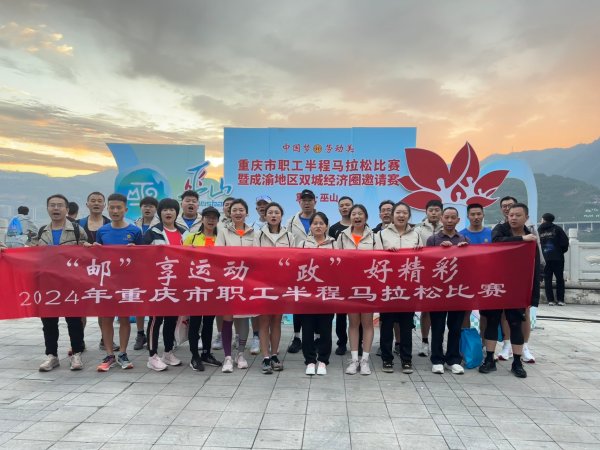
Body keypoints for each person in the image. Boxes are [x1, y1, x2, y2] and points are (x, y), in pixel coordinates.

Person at [480, 203, 541, 378]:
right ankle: (489, 359)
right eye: (511, 215)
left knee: (515, 324)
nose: (513, 218)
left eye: (517, 215)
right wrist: (522, 240)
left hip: (517, 288)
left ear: (526, 217)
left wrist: (533, 295)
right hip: (496, 284)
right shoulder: (500, 230)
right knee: (492, 321)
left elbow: (535, 267)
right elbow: (497, 242)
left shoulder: (532, 238)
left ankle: (517, 362)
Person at [34, 194, 86, 372]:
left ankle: (76, 353)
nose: (56, 208)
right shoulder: (42, 231)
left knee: (74, 320)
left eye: (59, 205)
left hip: (71, 283)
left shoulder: (77, 230)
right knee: (48, 321)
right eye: (52, 205)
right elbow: (30, 253)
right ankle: (52, 355)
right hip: (48, 283)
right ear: (47, 208)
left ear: (66, 209)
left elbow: (87, 254)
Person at [95, 193, 143, 372]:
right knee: (106, 319)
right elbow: (97, 258)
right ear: (107, 208)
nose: (115, 211)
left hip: (127, 282)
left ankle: (122, 353)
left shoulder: (135, 231)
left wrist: (136, 251)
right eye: (112, 207)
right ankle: (109, 355)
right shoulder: (102, 231)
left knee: (124, 319)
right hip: (107, 282)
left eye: (119, 208)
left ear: (125, 209)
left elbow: (143, 258)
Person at [375, 202, 422, 374]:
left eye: (404, 213)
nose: (401, 216)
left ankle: (406, 359)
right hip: (388, 285)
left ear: (409, 216)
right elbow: (375, 258)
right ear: (392, 215)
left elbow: (422, 260)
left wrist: (419, 251)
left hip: (408, 286)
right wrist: (386, 252)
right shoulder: (381, 235)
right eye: (398, 213)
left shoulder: (416, 234)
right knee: (387, 324)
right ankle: (387, 359)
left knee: (406, 325)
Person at [143, 198, 185, 371]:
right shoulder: (153, 232)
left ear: (176, 213)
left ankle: (168, 352)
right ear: (160, 213)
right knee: (156, 319)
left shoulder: (184, 232)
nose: (168, 213)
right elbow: (142, 256)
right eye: (165, 210)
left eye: (172, 210)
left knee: (171, 319)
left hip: (176, 283)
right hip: (157, 284)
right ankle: (152, 356)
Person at [426, 207, 469, 375]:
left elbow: (469, 264)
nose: (449, 221)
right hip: (438, 290)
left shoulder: (464, 239)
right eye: (447, 217)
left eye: (453, 218)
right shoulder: (433, 240)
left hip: (458, 290)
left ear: (458, 220)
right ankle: (437, 359)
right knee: (437, 326)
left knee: (455, 327)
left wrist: (464, 250)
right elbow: (427, 263)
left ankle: (453, 359)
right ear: (441, 219)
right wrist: (441, 250)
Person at [215, 198, 255, 373]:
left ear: (247, 213)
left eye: (241, 210)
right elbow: (218, 254)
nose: (238, 213)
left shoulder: (254, 233)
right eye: (234, 210)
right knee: (228, 317)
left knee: (243, 317)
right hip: (228, 280)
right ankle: (227, 357)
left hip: (247, 280)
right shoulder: (222, 231)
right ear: (229, 213)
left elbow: (258, 256)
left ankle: (240, 354)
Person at [254, 202, 295, 374]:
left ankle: (274, 355)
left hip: (281, 283)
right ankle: (265, 357)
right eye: (270, 212)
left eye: (276, 212)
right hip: (263, 283)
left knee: (277, 320)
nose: (273, 215)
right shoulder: (258, 235)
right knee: (264, 320)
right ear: (265, 216)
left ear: (281, 216)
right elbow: (254, 259)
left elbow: (294, 259)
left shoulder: (289, 236)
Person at [337, 204, 376, 375]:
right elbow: (336, 259)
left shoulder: (374, 237)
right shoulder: (342, 236)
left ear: (366, 217)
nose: (357, 216)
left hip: (369, 285)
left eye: (360, 214)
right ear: (350, 217)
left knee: (367, 323)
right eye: (354, 214)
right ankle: (354, 360)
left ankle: (365, 360)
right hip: (350, 285)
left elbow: (382, 260)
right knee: (353, 323)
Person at [184, 206, 223, 371]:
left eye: (214, 217)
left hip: (214, 286)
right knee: (195, 322)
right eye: (208, 217)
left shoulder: (220, 239)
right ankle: (194, 356)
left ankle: (206, 353)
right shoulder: (191, 238)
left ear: (218, 220)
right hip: (195, 286)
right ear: (202, 219)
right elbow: (182, 259)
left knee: (208, 322)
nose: (211, 220)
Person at [300, 212, 336, 376]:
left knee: (325, 328)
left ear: (326, 226)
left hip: (327, 292)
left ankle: (322, 360)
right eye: (315, 223)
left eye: (321, 223)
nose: (318, 226)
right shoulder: (302, 244)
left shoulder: (334, 244)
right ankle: (309, 360)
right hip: (307, 293)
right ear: (310, 226)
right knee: (307, 328)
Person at [78, 192, 113, 351]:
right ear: (87, 204)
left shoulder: (110, 224)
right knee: (81, 309)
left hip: (104, 273)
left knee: (103, 308)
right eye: (93, 201)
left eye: (100, 201)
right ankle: (79, 340)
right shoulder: (78, 225)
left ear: (104, 205)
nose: (96, 203)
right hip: (82, 272)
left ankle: (105, 340)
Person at [286, 189, 318, 354]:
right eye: (304, 200)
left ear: (315, 202)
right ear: (299, 202)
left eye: (309, 200)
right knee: (298, 303)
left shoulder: (320, 219)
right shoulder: (291, 221)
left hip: (317, 269)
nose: (307, 203)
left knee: (317, 303)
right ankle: (297, 337)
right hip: (297, 268)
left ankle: (317, 337)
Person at [414, 199, 443, 358]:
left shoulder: (447, 228)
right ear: (426, 212)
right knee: (425, 310)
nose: (433, 213)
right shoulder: (417, 229)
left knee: (439, 311)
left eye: (437, 210)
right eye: (431, 210)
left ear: (441, 212)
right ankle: (424, 343)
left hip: (442, 275)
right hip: (424, 274)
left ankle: (437, 343)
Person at [459, 203, 493, 329]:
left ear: (483, 215)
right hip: (467, 279)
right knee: (465, 313)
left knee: (486, 313)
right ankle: (466, 340)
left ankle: (484, 339)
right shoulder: (461, 235)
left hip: (487, 279)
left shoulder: (491, 234)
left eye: (479, 214)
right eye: (472, 214)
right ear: (468, 216)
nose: (476, 217)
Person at [327, 196, 354, 356]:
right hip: (339, 276)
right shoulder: (334, 229)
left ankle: (358, 343)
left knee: (357, 311)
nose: (345, 208)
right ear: (338, 208)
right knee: (341, 314)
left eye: (348, 205)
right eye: (342, 205)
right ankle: (342, 343)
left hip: (357, 277)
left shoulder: (363, 227)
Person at [133, 196, 160, 351]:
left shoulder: (160, 226)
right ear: (141, 208)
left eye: (151, 206)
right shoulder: (134, 224)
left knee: (154, 302)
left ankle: (153, 333)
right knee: (139, 302)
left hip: (156, 270)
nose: (147, 208)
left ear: (156, 209)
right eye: (145, 206)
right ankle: (140, 333)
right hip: (137, 270)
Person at [538, 213, 569, 306]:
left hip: (545, 258)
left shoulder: (539, 230)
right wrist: (560, 251)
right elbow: (565, 243)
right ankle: (560, 300)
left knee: (547, 279)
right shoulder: (557, 229)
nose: (541, 220)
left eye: (541, 219)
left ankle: (550, 300)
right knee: (559, 279)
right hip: (557, 258)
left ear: (544, 219)